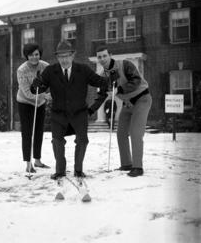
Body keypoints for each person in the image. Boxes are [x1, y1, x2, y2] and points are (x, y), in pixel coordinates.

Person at [31, 40, 108, 180]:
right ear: (57, 57)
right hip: (59, 114)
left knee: (82, 140)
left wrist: (110, 79)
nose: (64, 59)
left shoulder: (83, 70)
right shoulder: (50, 71)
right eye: (61, 56)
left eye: (67, 56)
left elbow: (99, 82)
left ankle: (78, 170)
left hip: (79, 113)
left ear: (73, 56)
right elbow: (39, 88)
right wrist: (35, 85)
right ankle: (60, 170)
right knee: (56, 140)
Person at [96, 45, 152, 177]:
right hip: (127, 104)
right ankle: (127, 164)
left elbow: (136, 81)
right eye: (99, 57)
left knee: (135, 132)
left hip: (142, 99)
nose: (102, 59)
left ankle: (138, 167)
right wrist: (90, 109)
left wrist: (119, 90)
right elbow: (101, 95)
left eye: (105, 55)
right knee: (121, 133)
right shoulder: (102, 76)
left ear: (110, 55)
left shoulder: (125, 64)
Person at [16, 43, 50, 174]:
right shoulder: (22, 70)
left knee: (39, 131)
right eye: (31, 55)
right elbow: (27, 93)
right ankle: (28, 164)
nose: (34, 57)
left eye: (36, 54)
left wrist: (48, 94)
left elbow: (53, 81)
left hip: (39, 103)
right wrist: (45, 95)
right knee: (27, 133)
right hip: (25, 102)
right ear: (27, 56)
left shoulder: (45, 66)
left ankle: (37, 160)